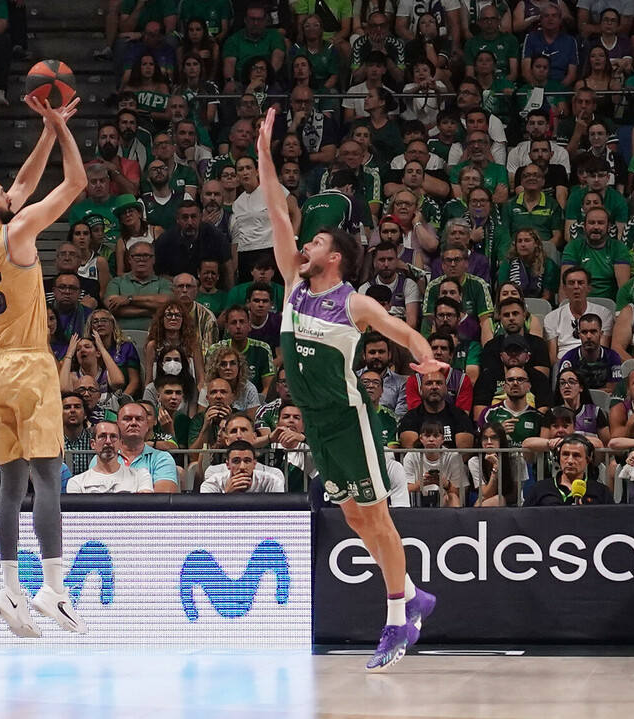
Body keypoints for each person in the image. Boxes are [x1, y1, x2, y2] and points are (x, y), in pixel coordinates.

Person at [257, 107, 438, 671]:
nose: (302, 246)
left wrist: (425, 353)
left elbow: (398, 328)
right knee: (356, 519)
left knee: (377, 517)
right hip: (312, 420)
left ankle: (396, 620)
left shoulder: (352, 301)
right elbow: (273, 207)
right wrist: (263, 152)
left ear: (333, 256)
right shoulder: (292, 282)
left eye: (314, 242)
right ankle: (414, 594)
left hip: (348, 417)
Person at [0, 95, 88, 639]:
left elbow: (21, 189)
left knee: (9, 484)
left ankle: (8, 586)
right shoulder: (19, 233)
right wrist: (61, 128)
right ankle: (54, 588)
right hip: (31, 366)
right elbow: (75, 183)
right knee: (48, 479)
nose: (6, 193)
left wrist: (44, 133)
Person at [524, 434, 613, 505]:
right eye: (565, 454)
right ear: (558, 458)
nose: (570, 461)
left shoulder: (601, 491)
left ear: (588, 459)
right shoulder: (539, 489)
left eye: (576, 455)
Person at [65, 420, 152, 493]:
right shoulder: (76, 482)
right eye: (102, 436)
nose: (108, 441)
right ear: (93, 444)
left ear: (120, 443)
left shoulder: (140, 476)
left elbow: (145, 508)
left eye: (113, 436)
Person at [200, 440, 285, 493]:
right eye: (236, 461)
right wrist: (226, 496)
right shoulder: (212, 484)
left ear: (254, 464)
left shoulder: (272, 482)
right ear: (228, 465)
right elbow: (208, 518)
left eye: (247, 461)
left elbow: (279, 516)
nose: (242, 467)